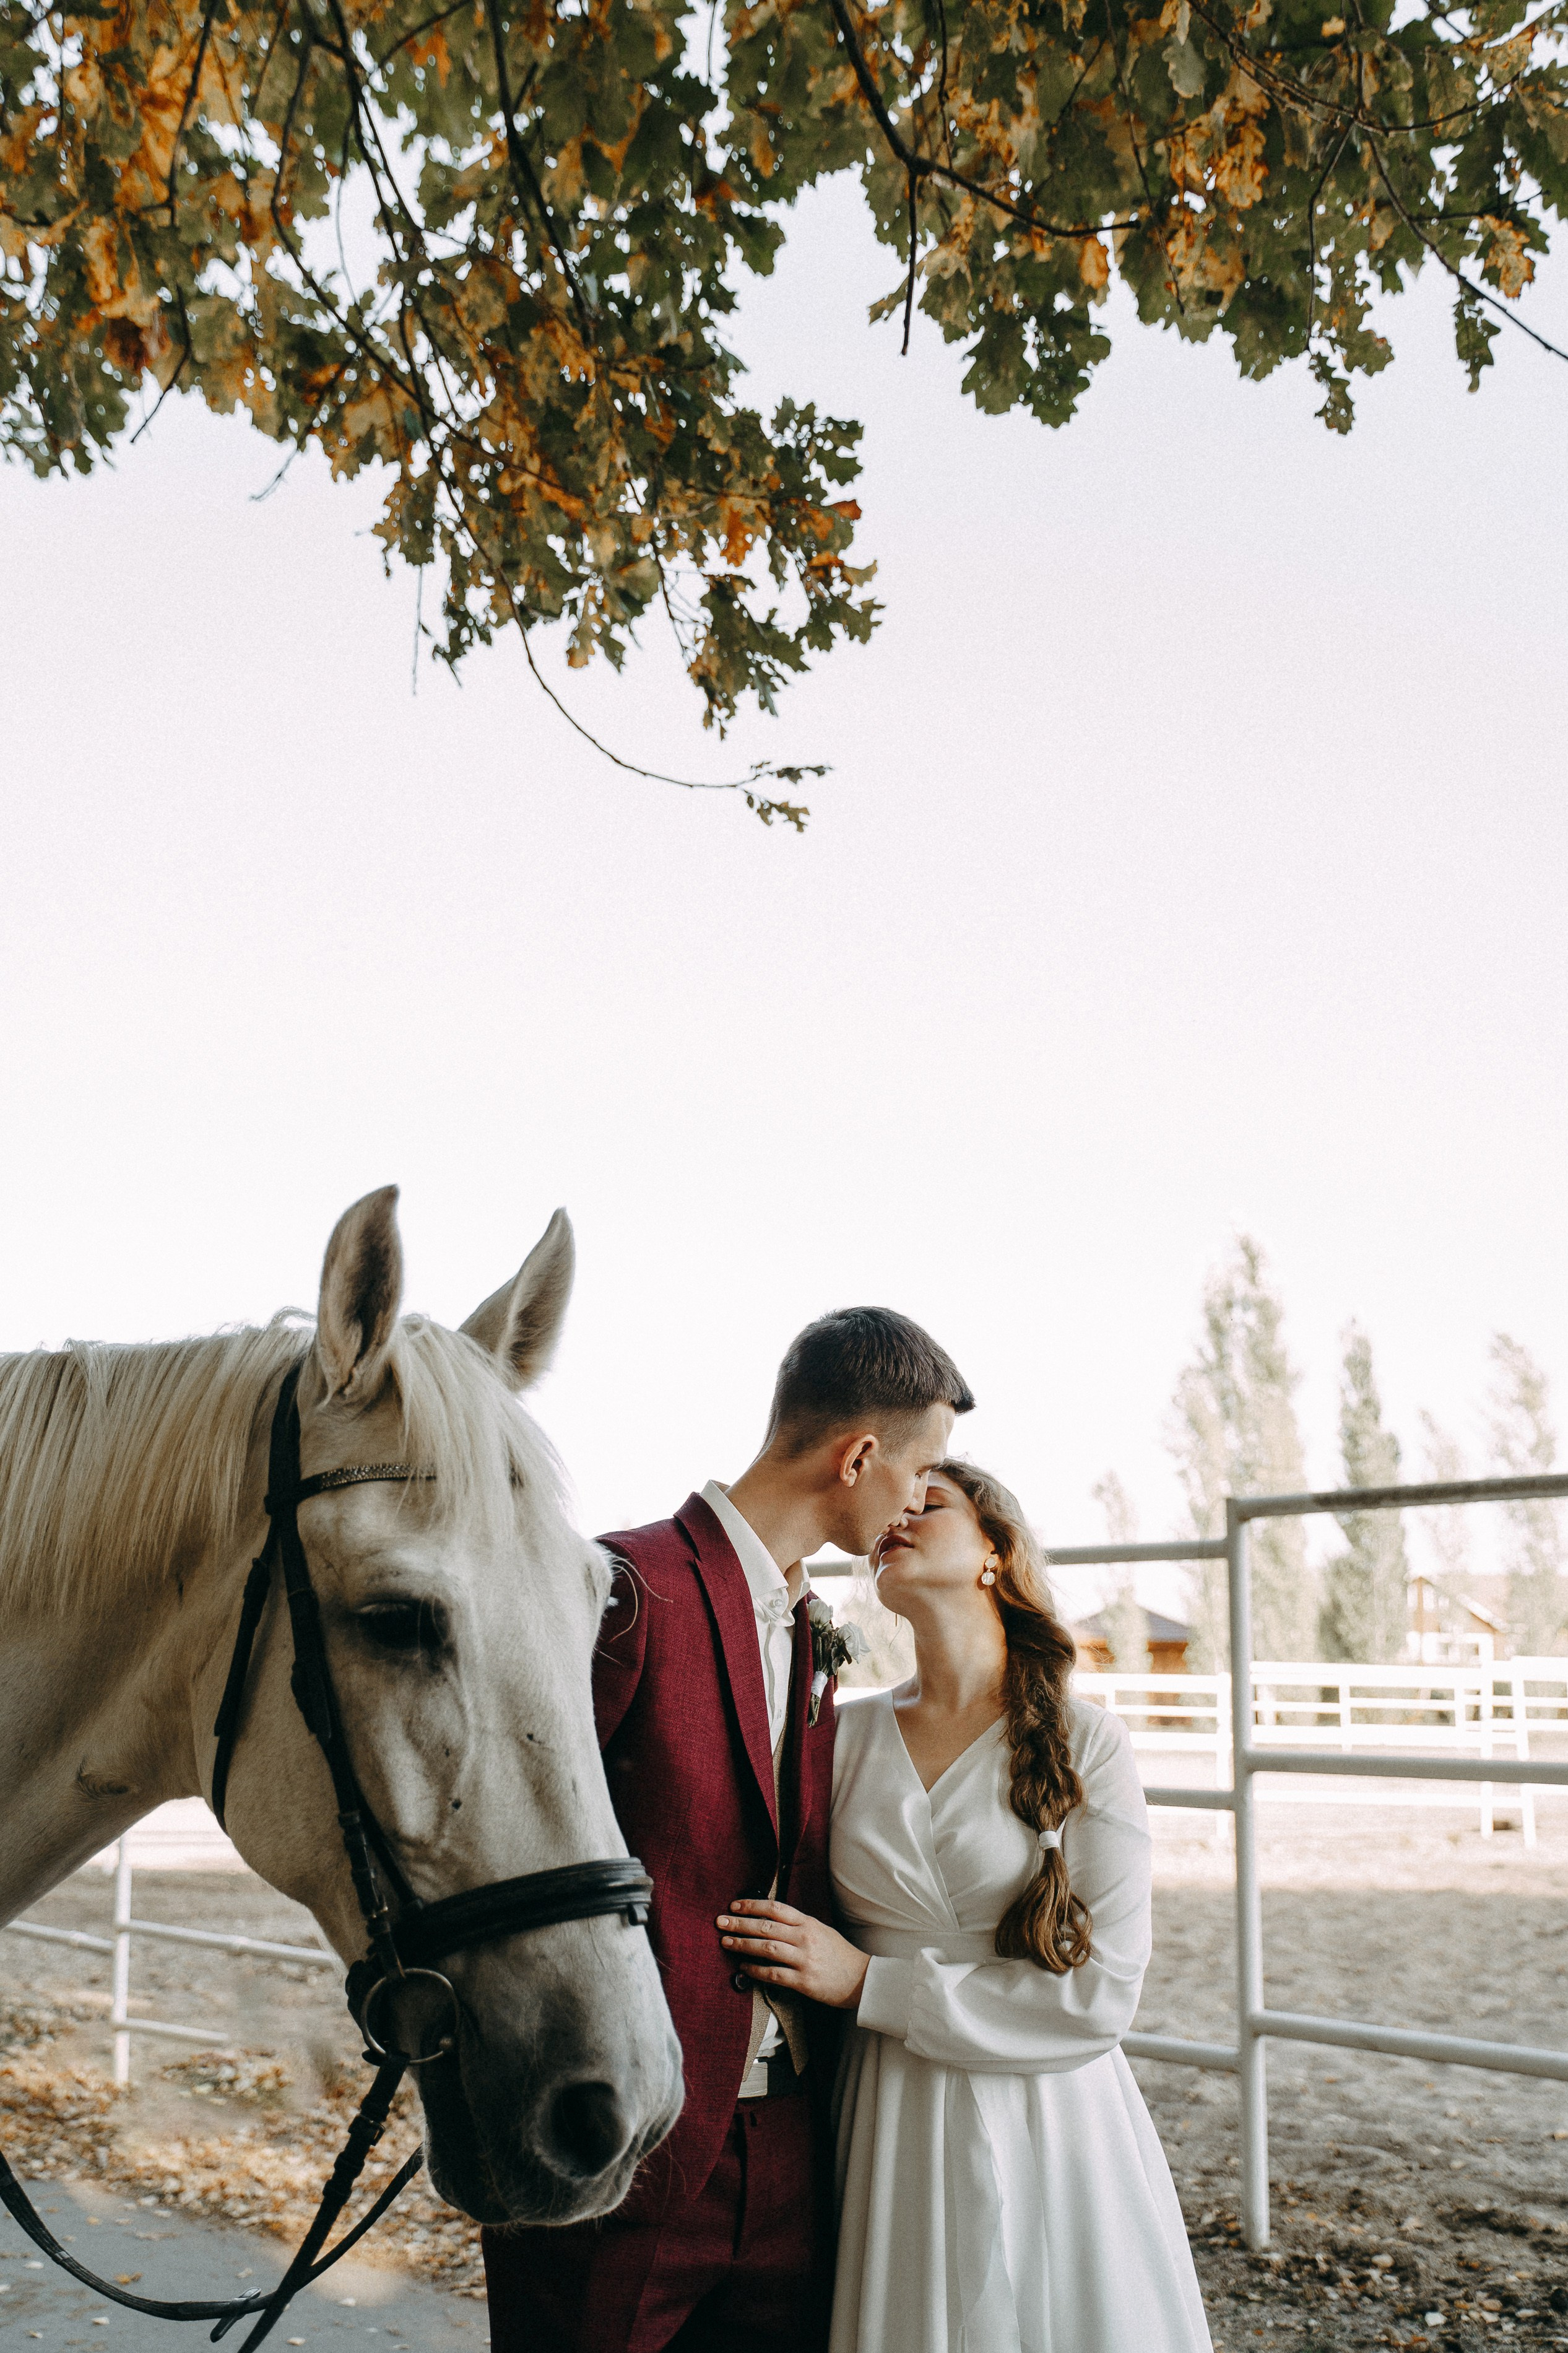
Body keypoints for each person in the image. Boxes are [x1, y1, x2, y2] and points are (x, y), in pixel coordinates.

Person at [482, 1309, 975, 2353]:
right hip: (628, 2138)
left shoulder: (808, 1629)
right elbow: (503, 1846)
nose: (920, 1496)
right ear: (860, 1456)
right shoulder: (624, 1589)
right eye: (922, 1468)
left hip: (794, 2146)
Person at [717, 1459, 1213, 2353]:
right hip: (883, 2116)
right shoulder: (838, 1737)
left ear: (996, 1550)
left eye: (930, 1503)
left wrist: (868, 1981)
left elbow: (1097, 1997)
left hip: (1051, 2120)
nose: (895, 1516)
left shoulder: (1083, 1740)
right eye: (892, 1507)